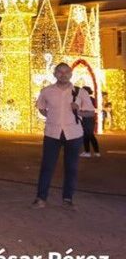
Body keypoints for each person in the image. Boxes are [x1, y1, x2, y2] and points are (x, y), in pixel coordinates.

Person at [31, 63, 95, 210]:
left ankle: (67, 199)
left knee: (71, 168)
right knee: (47, 167)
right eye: (60, 72)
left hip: (73, 134)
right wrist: (52, 117)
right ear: (55, 74)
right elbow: (41, 108)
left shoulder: (80, 92)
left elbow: (90, 113)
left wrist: (78, 111)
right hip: (52, 134)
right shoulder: (47, 91)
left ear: (71, 74)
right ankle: (41, 198)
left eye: (66, 72)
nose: (63, 74)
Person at [79, 86, 101, 158]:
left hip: (87, 117)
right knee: (89, 135)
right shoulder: (91, 99)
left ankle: (88, 152)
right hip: (89, 118)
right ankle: (95, 152)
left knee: (88, 135)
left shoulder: (87, 99)